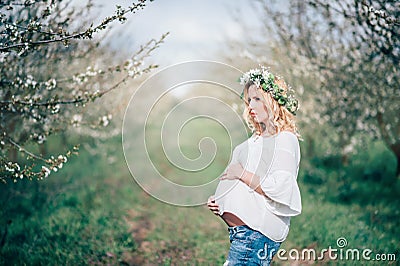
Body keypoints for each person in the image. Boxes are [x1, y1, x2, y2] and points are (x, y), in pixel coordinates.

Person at [207, 66, 302, 265]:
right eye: (249, 100)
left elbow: (280, 187)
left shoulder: (284, 139)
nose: (250, 105)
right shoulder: (257, 139)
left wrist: (241, 174)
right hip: (243, 234)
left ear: (273, 101)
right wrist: (219, 201)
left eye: (257, 99)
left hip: (256, 235)